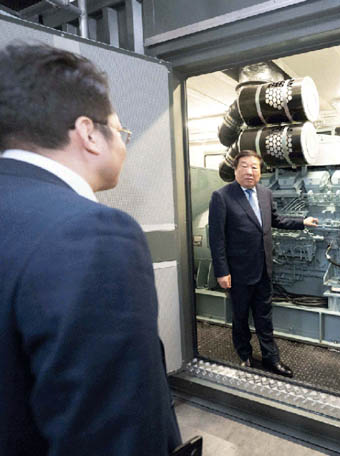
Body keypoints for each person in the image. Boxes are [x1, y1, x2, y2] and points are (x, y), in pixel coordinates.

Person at [0, 43, 182, 455]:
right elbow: (113, 433)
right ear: (88, 133)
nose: (123, 143)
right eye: (121, 131)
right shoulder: (91, 234)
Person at [208, 150, 318, 378]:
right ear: (235, 170)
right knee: (240, 317)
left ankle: (271, 358)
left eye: (254, 167)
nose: (250, 171)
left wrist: (302, 222)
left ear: (260, 172)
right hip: (237, 272)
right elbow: (217, 239)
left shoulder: (265, 194)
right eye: (244, 166)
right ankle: (245, 354)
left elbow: (276, 220)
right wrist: (222, 271)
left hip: (263, 269)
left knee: (264, 317)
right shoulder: (222, 197)